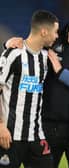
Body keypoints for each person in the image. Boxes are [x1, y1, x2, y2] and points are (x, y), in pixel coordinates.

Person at [5, 8, 69, 168]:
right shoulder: (55, 40)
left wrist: (61, 72)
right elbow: (30, 46)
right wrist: (9, 43)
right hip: (47, 128)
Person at [0, 10, 59, 168]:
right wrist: (0, 127)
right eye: (55, 32)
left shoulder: (47, 58)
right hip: (10, 135)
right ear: (44, 31)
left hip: (36, 135)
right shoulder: (13, 55)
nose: (57, 36)